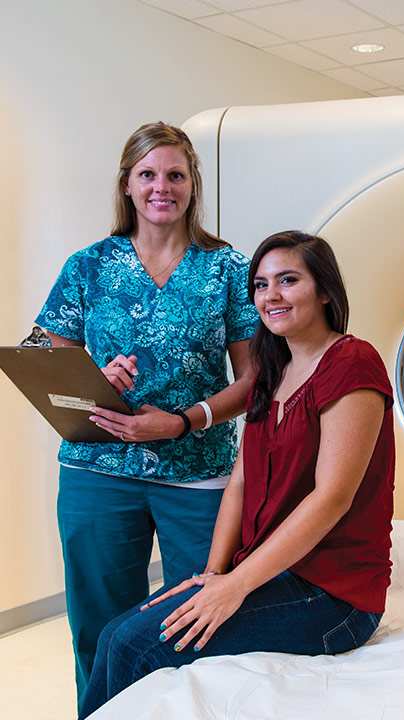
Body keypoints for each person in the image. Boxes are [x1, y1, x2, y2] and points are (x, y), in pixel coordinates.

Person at [79, 229, 395, 719]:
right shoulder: (273, 370)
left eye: (288, 280)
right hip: (272, 569)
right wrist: (214, 573)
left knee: (136, 649)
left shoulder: (352, 363)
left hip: (335, 595)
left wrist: (237, 585)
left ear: (326, 290)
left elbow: (332, 497)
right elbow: (242, 482)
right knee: (115, 635)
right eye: (261, 285)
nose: (270, 295)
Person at [35, 121, 259, 712]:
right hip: (97, 470)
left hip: (199, 471)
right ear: (128, 185)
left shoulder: (228, 269)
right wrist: (92, 378)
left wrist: (186, 420)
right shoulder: (89, 266)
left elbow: (256, 379)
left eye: (175, 175)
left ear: (193, 185)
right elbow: (39, 356)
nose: (163, 187)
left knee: (199, 623)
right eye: (148, 175)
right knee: (99, 625)